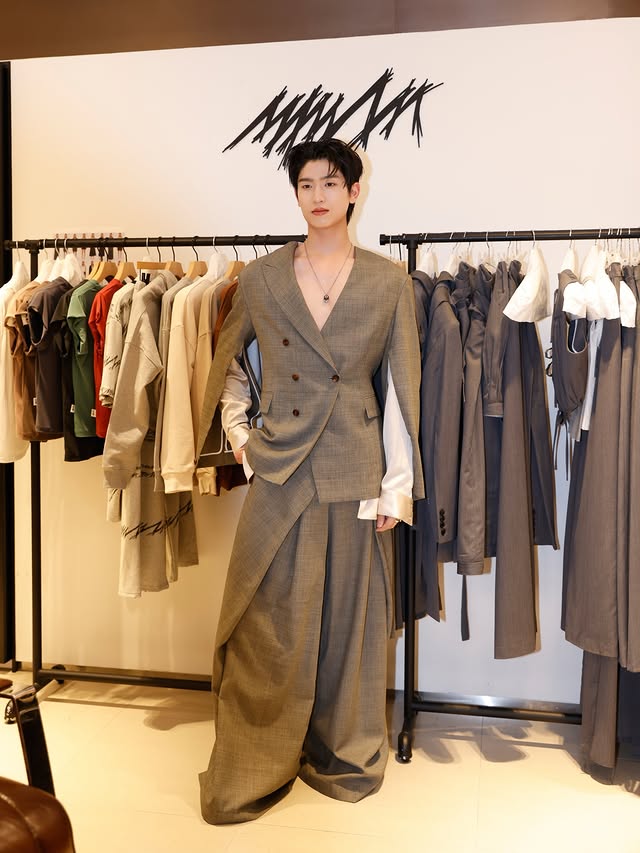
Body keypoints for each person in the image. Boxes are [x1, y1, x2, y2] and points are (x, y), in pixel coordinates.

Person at [197, 137, 424, 824]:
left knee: (349, 624)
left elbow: (401, 390)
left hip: (355, 469)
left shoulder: (389, 282)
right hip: (281, 465)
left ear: (354, 191)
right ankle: (256, 759)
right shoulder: (262, 277)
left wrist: (397, 486)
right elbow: (231, 364)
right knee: (267, 620)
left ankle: (342, 754)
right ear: (295, 194)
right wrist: (242, 440)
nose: (318, 195)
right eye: (306, 184)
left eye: (331, 183)